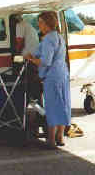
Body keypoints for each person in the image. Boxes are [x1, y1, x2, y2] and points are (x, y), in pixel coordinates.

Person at [27, 11, 71, 149]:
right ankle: (60, 137)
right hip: (63, 74)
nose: (39, 25)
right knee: (63, 105)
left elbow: (45, 61)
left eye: (41, 22)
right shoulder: (59, 37)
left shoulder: (47, 39)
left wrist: (30, 59)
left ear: (47, 24)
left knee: (52, 107)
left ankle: (51, 140)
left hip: (52, 77)